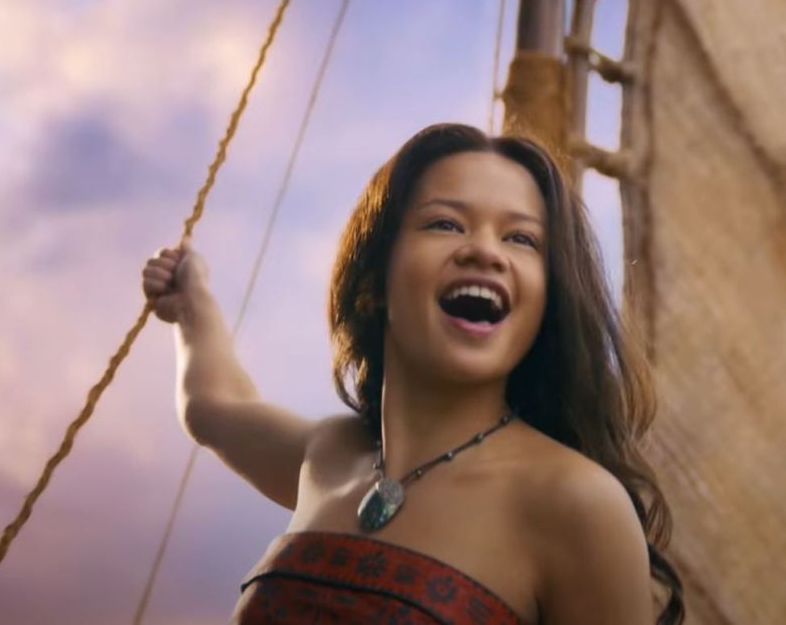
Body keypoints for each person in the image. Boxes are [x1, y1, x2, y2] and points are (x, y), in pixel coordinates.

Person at [141, 123, 684, 624]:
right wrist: (192, 299)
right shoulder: (329, 454)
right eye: (445, 223)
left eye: (521, 238)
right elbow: (213, 407)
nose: (485, 251)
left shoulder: (578, 502)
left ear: (549, 299)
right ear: (374, 278)